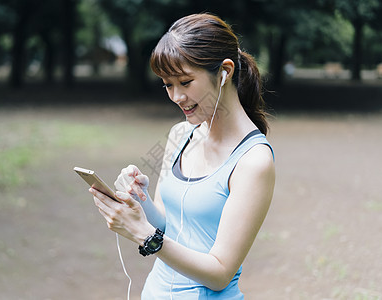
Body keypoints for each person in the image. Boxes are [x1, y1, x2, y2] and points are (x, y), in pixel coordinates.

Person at [89, 13, 275, 299]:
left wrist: (145, 236)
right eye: (167, 85)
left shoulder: (253, 161)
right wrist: (141, 201)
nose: (176, 96)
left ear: (224, 72)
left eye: (185, 82)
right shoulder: (180, 134)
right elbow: (168, 225)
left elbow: (219, 273)